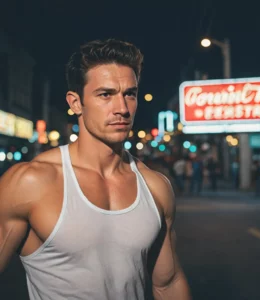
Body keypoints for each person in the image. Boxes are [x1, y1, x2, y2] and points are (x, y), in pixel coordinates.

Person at [0, 39, 191, 300]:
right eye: (105, 94)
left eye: (130, 94)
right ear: (76, 103)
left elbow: (168, 283)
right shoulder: (31, 182)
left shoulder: (155, 186)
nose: (122, 109)